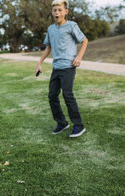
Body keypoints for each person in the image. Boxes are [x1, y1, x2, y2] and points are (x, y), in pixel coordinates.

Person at [35, 0, 88, 138]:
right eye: (54, 10)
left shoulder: (71, 26)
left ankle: (79, 125)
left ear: (66, 12)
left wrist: (79, 57)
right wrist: (39, 63)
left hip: (68, 67)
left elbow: (84, 40)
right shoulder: (51, 29)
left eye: (59, 10)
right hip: (56, 67)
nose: (56, 12)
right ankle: (62, 123)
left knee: (67, 94)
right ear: (52, 12)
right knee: (52, 95)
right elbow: (48, 47)